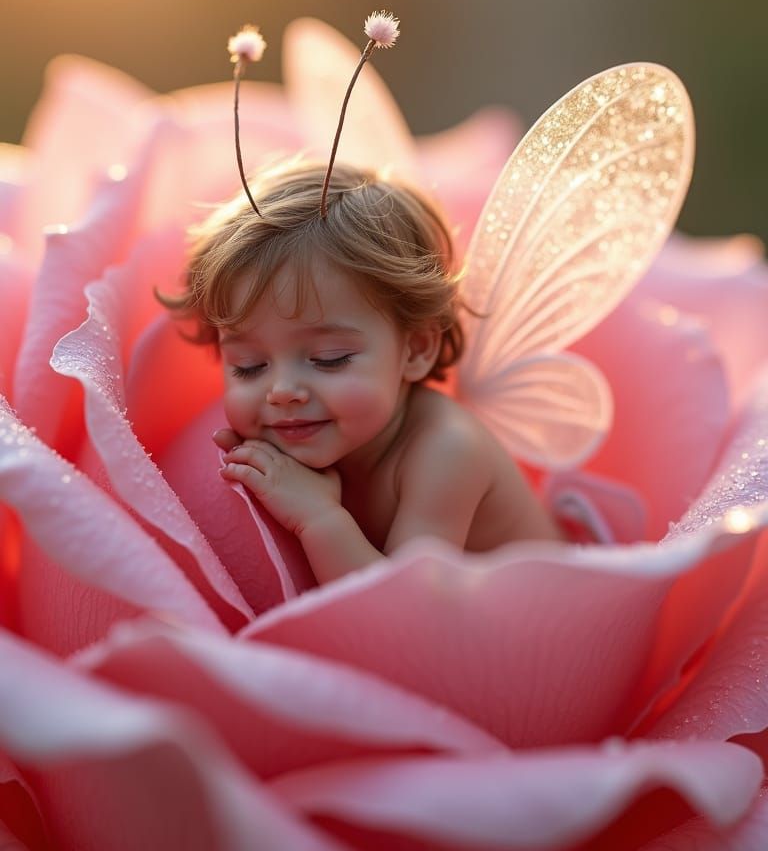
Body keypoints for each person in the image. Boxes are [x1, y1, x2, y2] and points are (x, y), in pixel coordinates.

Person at [159, 157, 563, 585]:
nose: (281, 390)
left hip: (542, 631)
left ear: (416, 349)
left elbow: (401, 613)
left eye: (328, 358)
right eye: (249, 367)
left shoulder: (448, 451)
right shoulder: (324, 428)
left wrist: (319, 518)